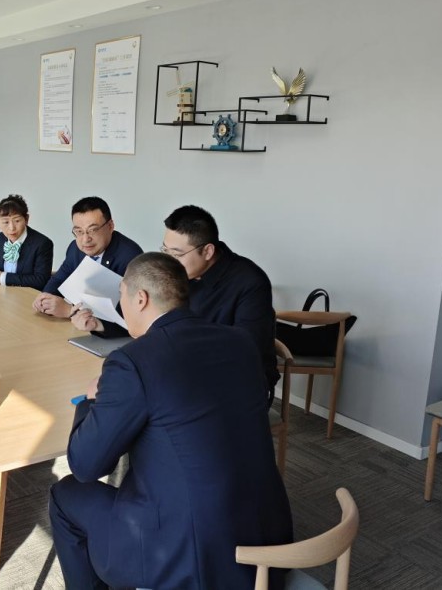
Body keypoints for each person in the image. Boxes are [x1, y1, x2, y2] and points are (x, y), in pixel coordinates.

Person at [48, 252, 293, 590]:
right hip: (268, 545)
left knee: (66, 494)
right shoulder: (240, 342)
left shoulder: (132, 362)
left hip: (191, 560)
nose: (121, 306)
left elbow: (86, 466)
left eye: (121, 295)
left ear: (141, 298)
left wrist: (92, 401)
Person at [162, 205, 278, 400]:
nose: (169, 261)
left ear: (208, 251)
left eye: (176, 254)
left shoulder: (250, 282)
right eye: (165, 250)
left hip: (238, 381)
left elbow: (246, 349)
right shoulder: (179, 274)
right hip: (186, 368)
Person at [32, 196, 141, 325]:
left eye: (92, 230)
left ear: (110, 226)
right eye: (79, 231)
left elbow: (126, 315)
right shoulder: (75, 248)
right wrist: (45, 297)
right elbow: (59, 279)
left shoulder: (132, 258)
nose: (85, 239)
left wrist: (70, 311)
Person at [0, 194, 53, 290]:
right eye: (6, 222)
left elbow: (41, 280)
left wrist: (2, 277)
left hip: (26, 295)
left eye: (17, 221)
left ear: (26, 219)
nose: (12, 228)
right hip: (0, 292)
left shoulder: (42, 243)